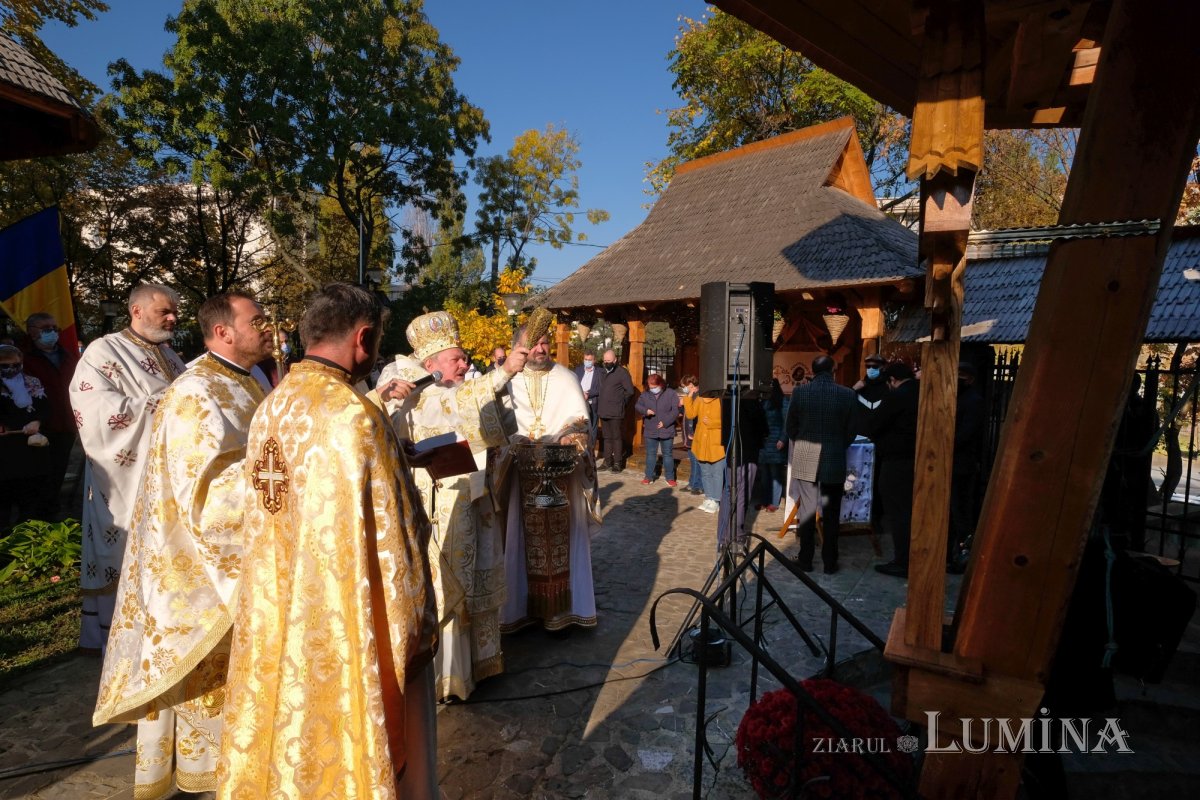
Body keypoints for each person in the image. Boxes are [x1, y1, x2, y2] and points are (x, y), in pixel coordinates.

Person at [218, 283, 438, 798]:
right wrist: (416, 623)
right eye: (377, 340)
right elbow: (397, 535)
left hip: (279, 600)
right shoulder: (356, 415)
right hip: (346, 614)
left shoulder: (271, 407)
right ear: (363, 337)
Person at [92, 291, 274, 799]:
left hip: (243, 557)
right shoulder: (197, 390)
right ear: (224, 332)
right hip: (201, 569)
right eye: (256, 320)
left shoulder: (246, 382)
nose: (268, 327)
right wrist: (287, 469)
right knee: (208, 687)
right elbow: (205, 495)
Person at [377, 311, 529, 702]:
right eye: (456, 359)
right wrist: (503, 373)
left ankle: (481, 663)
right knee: (448, 587)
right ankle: (448, 676)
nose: (464, 364)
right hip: (436, 507)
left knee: (479, 576)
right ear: (430, 365)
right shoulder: (409, 391)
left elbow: (497, 426)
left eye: (463, 358)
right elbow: (449, 406)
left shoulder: (452, 389)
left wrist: (500, 394)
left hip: (474, 498)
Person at [70, 283, 186, 652]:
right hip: (125, 475)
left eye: (174, 312)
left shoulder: (171, 355)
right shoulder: (105, 350)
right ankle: (121, 638)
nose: (172, 318)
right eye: (164, 312)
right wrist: (166, 405)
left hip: (169, 472)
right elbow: (94, 409)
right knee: (125, 551)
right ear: (136, 311)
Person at [498, 323, 601, 632]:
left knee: (565, 542)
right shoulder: (507, 382)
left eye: (545, 343)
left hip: (562, 478)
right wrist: (514, 443)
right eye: (534, 344)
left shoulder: (566, 378)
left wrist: (571, 437)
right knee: (517, 538)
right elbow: (497, 428)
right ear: (518, 346)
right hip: (519, 478)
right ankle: (519, 610)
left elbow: (581, 422)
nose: (541, 349)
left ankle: (562, 612)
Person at [785, 355, 858, 574]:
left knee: (806, 511)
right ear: (833, 370)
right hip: (834, 454)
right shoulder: (847, 394)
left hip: (806, 451)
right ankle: (830, 562)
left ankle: (806, 560)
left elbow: (790, 427)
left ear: (812, 371)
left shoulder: (801, 392)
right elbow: (852, 430)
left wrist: (803, 441)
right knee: (832, 513)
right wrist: (837, 444)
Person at [20, 312, 80, 519]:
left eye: (55, 328)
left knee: (57, 475)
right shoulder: (21, 358)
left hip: (66, 426)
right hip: (35, 428)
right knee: (36, 480)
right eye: (46, 329)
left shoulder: (70, 356)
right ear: (32, 332)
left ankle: (51, 519)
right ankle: (31, 522)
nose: (52, 332)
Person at [870, 362, 920, 577]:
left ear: (892, 380)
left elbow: (875, 423)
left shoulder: (898, 396)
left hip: (897, 460)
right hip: (918, 458)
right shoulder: (922, 391)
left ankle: (903, 560)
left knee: (898, 511)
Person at [0, 345, 52, 529]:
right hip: (4, 454)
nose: (11, 370)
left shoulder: (32, 382)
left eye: (16, 365)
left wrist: (37, 421)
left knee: (29, 502)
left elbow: (45, 408)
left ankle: (25, 541)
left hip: (30, 452)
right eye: (5, 366)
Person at [948, 361, 984, 572]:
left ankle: (961, 555)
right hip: (954, 463)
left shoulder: (973, 401)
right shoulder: (959, 397)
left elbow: (965, 434)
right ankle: (952, 555)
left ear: (969, 379)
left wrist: (946, 442)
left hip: (962, 465)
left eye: (960, 376)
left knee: (960, 512)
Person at [683, 382, 725, 514]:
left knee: (717, 473)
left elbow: (728, 420)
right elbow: (690, 414)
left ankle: (716, 500)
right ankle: (709, 497)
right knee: (706, 472)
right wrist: (689, 396)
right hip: (701, 442)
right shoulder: (700, 399)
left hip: (716, 443)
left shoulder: (721, 400)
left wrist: (713, 423)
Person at [635, 373, 680, 485]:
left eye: (654, 387)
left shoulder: (671, 393)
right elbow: (637, 405)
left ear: (660, 384)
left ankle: (670, 478)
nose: (652, 389)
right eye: (650, 387)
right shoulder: (645, 394)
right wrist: (646, 411)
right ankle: (648, 477)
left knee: (668, 454)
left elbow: (675, 410)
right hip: (651, 428)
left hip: (667, 429)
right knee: (650, 454)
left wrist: (665, 422)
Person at [595, 348, 634, 472]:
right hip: (603, 410)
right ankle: (607, 461)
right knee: (607, 437)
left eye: (609, 360)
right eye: (605, 360)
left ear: (615, 360)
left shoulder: (622, 373)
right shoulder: (602, 372)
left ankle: (617, 463)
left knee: (616, 437)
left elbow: (630, 391)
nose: (607, 362)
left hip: (616, 411)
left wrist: (621, 403)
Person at [755, 379, 789, 512]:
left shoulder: (783, 401)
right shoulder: (762, 401)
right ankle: (764, 500)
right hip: (764, 442)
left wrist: (783, 439)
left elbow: (787, 422)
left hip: (776, 443)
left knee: (775, 474)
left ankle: (774, 502)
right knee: (764, 474)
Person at [679, 375, 705, 495]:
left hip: (693, 434)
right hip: (688, 435)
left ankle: (698, 485)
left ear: (691, 385)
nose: (683, 389)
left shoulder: (698, 396)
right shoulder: (690, 395)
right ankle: (692, 483)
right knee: (692, 460)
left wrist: (691, 432)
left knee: (697, 461)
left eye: (684, 386)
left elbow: (693, 418)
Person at [574, 350, 600, 433]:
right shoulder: (578, 370)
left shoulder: (600, 372)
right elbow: (574, 384)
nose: (587, 361)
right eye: (585, 359)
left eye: (589, 360)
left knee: (592, 426)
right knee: (579, 425)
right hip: (579, 402)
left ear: (594, 360)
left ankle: (591, 445)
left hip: (592, 403)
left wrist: (588, 394)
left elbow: (601, 388)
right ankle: (580, 443)